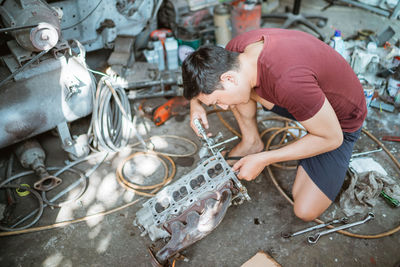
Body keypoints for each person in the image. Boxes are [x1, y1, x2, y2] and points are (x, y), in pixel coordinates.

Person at [181, 28, 367, 221]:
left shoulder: (288, 83)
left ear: (228, 78)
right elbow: (203, 73)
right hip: (307, 97)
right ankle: (252, 142)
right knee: (241, 93)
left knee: (305, 210)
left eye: (218, 100)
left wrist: (264, 159)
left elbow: (333, 138)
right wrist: (196, 103)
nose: (223, 107)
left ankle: (310, 134)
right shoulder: (234, 53)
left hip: (339, 122)